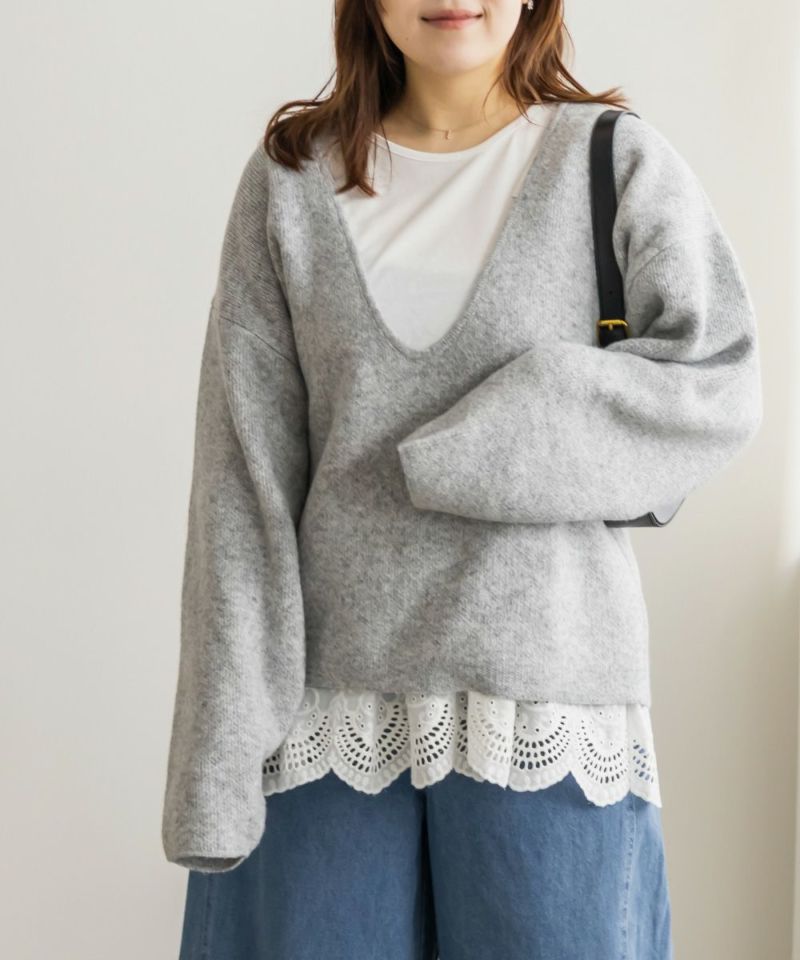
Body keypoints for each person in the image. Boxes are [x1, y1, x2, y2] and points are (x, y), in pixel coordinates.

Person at [162, 1, 764, 957]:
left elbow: (717, 379)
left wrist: (495, 441)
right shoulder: (290, 183)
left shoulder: (611, 161)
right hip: (326, 718)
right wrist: (214, 759)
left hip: (547, 712)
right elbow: (241, 490)